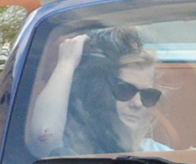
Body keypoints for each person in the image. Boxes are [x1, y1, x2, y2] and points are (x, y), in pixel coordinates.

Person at [27, 28, 177, 157]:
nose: (137, 103)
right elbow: (45, 138)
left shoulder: (163, 158)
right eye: (124, 90)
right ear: (98, 93)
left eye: (148, 95)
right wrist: (66, 63)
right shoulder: (71, 153)